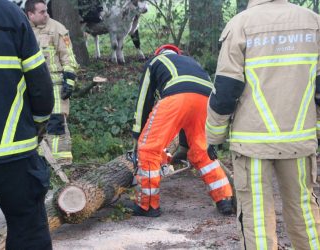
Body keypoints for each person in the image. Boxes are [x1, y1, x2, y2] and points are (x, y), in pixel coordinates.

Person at [206, 0, 320, 249]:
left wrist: (214, 136)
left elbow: (225, 91)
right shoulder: (313, 24)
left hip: (252, 144)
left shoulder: (240, 25)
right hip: (299, 141)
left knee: (257, 217)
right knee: (304, 213)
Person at [0, 0, 54, 249]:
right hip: (12, 150)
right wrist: (39, 124)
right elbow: (39, 84)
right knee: (28, 231)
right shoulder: (10, 15)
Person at [131, 44, 234, 217]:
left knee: (149, 149)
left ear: (158, 53)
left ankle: (147, 205)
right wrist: (185, 146)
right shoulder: (191, 62)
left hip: (176, 97)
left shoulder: (155, 61)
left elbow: (144, 99)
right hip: (206, 100)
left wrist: (138, 133)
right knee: (202, 150)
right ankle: (224, 198)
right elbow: (190, 110)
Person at [26, 0, 79, 166]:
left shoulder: (57, 28)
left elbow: (68, 57)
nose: (46, 14)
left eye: (46, 10)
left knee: (56, 123)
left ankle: (61, 163)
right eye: (41, 12)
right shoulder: (23, 30)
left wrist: (69, 80)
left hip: (55, 86)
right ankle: (40, 160)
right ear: (30, 14)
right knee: (33, 124)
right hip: (31, 88)